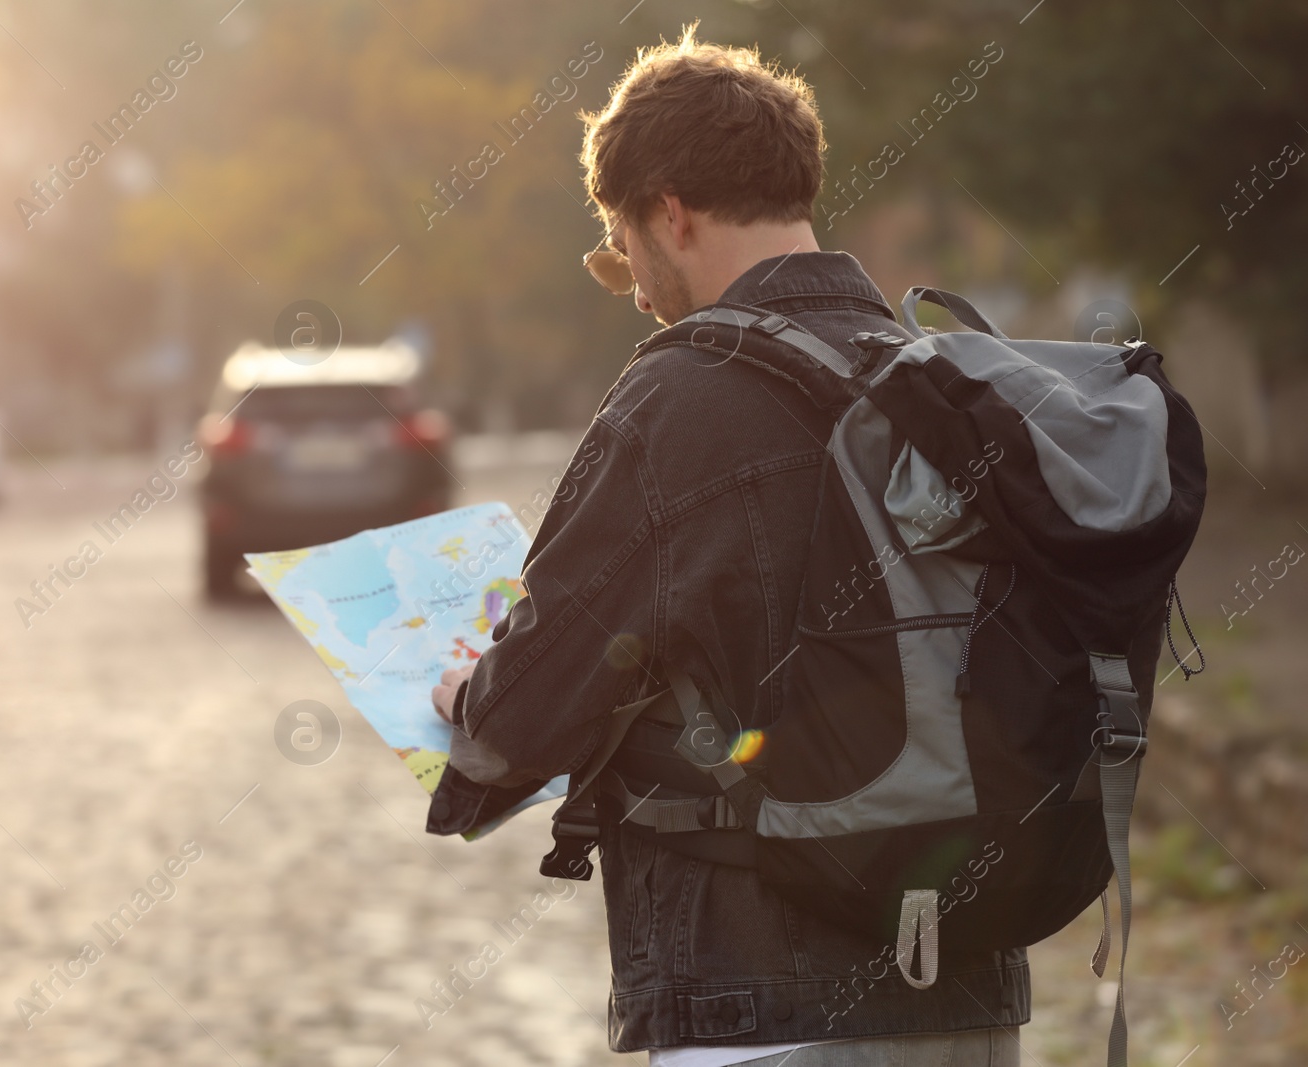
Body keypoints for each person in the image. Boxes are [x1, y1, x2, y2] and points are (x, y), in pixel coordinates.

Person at [427, 26, 1025, 1067]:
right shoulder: (943, 379)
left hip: (762, 1008)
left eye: (626, 248)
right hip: (970, 991)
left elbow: (516, 729)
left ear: (668, 212)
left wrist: (463, 699)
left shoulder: (674, 403)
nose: (639, 288)